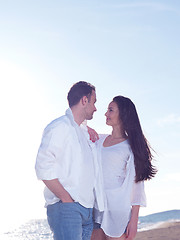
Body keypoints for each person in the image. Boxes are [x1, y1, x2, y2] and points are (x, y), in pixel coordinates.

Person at [35, 81, 104, 240]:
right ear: (84, 100)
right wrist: (66, 198)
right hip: (67, 208)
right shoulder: (59, 126)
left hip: (87, 210)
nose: (95, 108)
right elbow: (42, 166)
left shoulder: (82, 131)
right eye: (94, 102)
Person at [91, 96, 157, 240]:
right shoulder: (99, 140)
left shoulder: (129, 147)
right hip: (96, 208)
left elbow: (138, 185)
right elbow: (78, 132)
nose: (106, 114)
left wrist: (134, 221)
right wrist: (88, 129)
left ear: (123, 115)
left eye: (110, 110)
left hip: (118, 210)